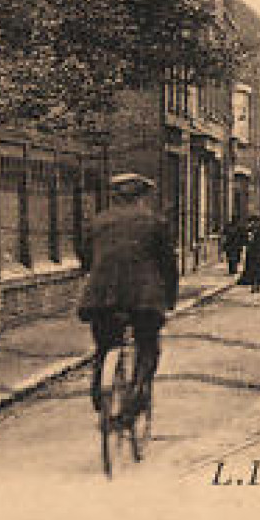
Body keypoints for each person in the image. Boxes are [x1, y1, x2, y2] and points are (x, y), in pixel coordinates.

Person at [77, 173, 178, 420]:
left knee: (104, 343)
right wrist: (170, 298)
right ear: (142, 196)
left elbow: (84, 256)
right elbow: (168, 265)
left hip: (102, 297)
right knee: (148, 347)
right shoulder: (155, 222)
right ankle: (138, 393)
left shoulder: (97, 222)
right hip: (144, 298)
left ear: (114, 197)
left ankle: (101, 382)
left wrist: (96, 273)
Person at [239, 213, 260, 293]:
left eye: (253, 222)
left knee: (257, 271)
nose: (252, 223)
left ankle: (256, 285)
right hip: (251, 254)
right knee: (251, 271)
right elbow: (245, 241)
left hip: (259, 254)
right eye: (251, 222)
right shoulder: (249, 231)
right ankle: (253, 285)